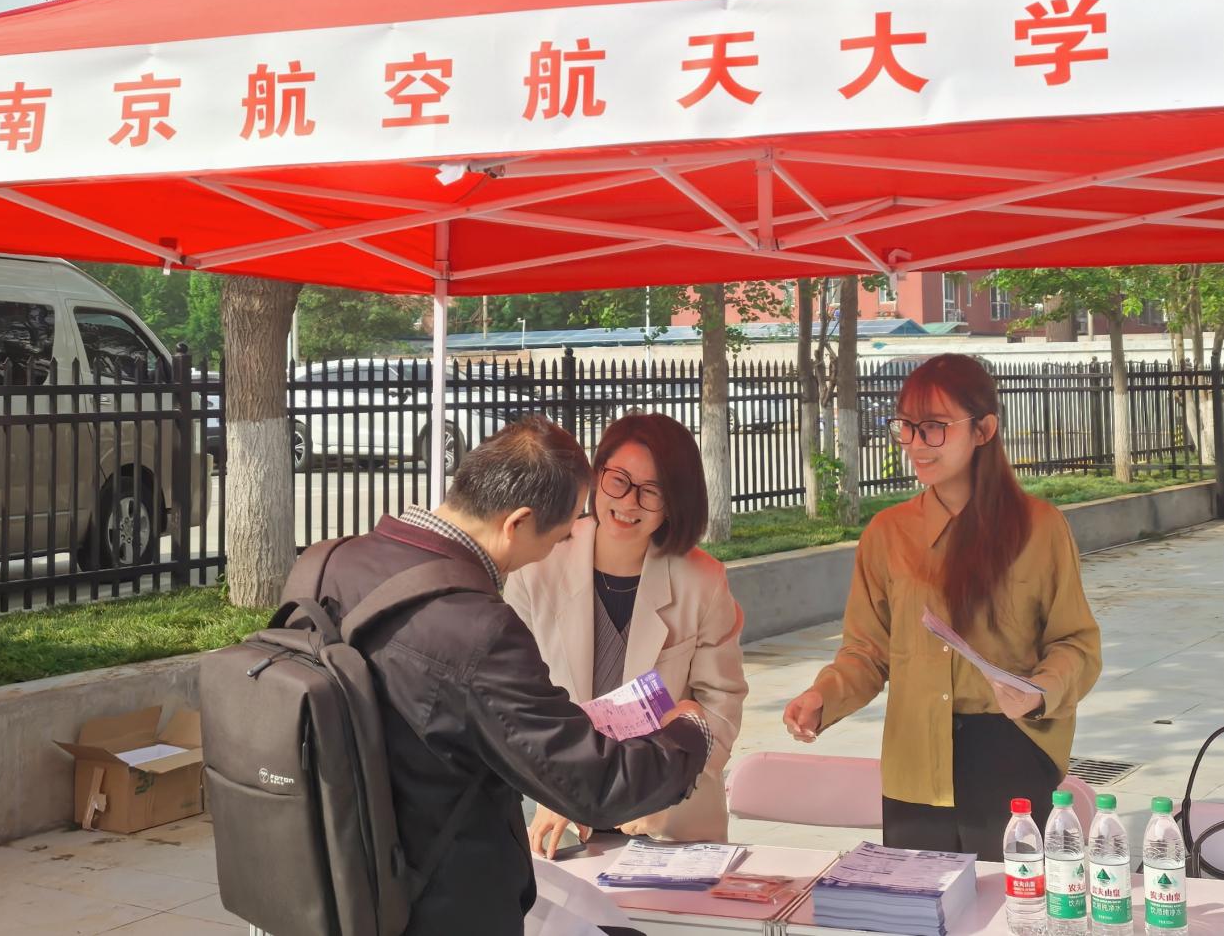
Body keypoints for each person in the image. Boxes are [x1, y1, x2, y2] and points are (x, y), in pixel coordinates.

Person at [314, 416, 712, 936]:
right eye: (560, 534)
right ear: (518, 523)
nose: (558, 548)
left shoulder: (325, 563)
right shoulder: (479, 628)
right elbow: (592, 783)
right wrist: (689, 732)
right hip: (441, 901)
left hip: (334, 880)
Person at [782, 354, 1101, 860]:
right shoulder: (887, 534)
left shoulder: (1040, 529)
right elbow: (867, 651)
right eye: (906, 427)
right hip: (914, 757)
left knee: (1013, 900)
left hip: (1010, 751)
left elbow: (1076, 643)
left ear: (983, 430)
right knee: (917, 897)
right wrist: (825, 696)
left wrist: (1040, 691)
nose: (915, 443)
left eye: (933, 427)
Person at [506, 413, 747, 855]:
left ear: (675, 501)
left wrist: (661, 787)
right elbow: (515, 700)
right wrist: (559, 787)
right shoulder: (538, 565)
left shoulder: (703, 581)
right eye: (618, 480)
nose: (629, 502)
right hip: (558, 821)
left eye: (651, 491)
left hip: (669, 821)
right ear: (597, 477)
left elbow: (721, 705)